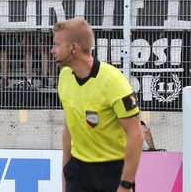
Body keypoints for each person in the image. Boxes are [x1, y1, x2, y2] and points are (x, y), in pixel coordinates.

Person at [51, 18, 142, 192]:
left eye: (57, 45)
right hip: (78, 171)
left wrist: (126, 185)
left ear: (74, 48)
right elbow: (70, 126)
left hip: (112, 172)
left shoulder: (113, 81)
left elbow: (136, 135)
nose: (52, 50)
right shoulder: (64, 77)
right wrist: (66, 172)